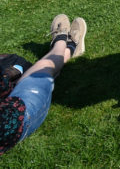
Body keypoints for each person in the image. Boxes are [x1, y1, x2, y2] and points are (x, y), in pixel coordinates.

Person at [0, 14, 88, 157]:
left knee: (31, 71)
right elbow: (3, 87)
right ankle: (66, 45)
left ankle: (63, 45)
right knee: (43, 68)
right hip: (14, 119)